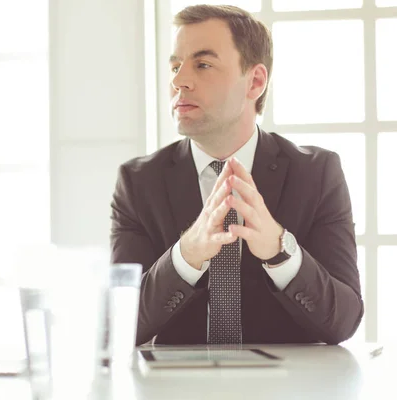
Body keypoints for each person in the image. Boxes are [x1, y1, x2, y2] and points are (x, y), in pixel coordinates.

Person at [110, 4, 363, 345]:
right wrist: (185, 256)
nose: (179, 80)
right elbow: (118, 326)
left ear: (255, 82)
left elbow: (343, 322)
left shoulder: (317, 174)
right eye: (175, 66)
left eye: (203, 64)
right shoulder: (138, 183)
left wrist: (279, 249)